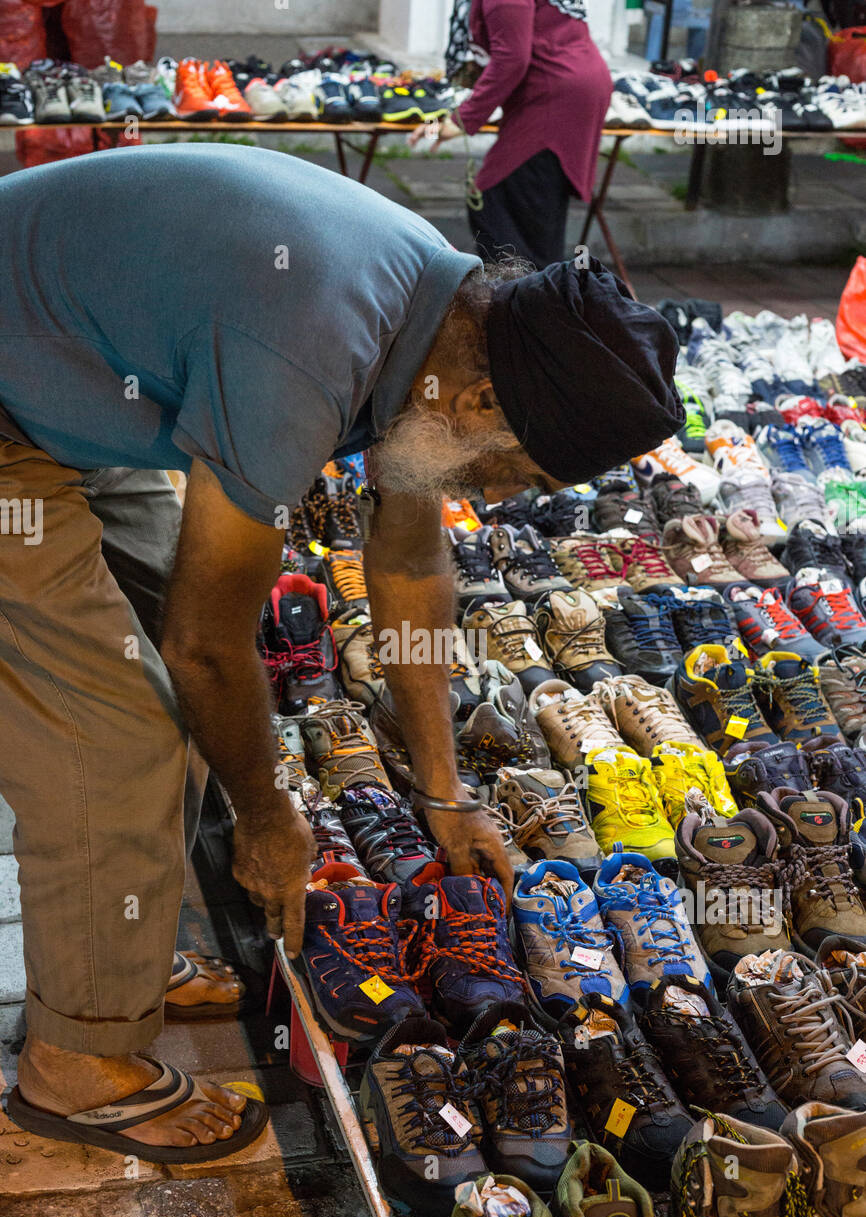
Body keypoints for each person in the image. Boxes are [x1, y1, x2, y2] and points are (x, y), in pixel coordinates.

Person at [0, 143, 682, 1163]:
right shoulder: (311, 341)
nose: (493, 497)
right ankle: (79, 1063)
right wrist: (269, 819)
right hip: (19, 414)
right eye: (514, 471)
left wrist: (444, 794)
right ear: (478, 406)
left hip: (61, 380)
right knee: (121, 724)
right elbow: (206, 645)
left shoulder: (441, 323)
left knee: (164, 679)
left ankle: (112, 956)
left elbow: (406, 564)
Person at [411, 0, 613, 270]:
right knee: (526, 208)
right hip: (563, 89)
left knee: (499, 204)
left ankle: (524, 300)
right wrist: (451, 117)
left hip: (554, 98)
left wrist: (461, 120)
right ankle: (533, 296)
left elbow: (511, 59)